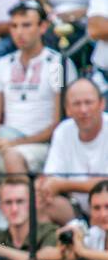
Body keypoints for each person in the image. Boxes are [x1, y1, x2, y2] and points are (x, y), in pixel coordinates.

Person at [0, 0, 74, 196]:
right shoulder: (2, 65)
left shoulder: (56, 64)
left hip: (40, 147)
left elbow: (59, 123)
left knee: (13, 157)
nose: (19, 32)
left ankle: (27, 217)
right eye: (14, 26)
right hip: (4, 143)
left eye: (26, 25)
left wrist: (16, 144)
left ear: (43, 27)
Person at [36, 78, 108, 224]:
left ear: (102, 104)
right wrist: (44, 187)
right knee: (43, 201)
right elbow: (50, 178)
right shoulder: (63, 131)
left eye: (88, 102)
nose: (83, 110)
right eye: (77, 104)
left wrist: (61, 185)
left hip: (105, 207)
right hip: (76, 211)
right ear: (67, 109)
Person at [52, 178, 108, 260]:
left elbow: (82, 251)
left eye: (107, 207)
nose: (103, 214)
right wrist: (67, 245)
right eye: (96, 208)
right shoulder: (96, 234)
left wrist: (83, 251)